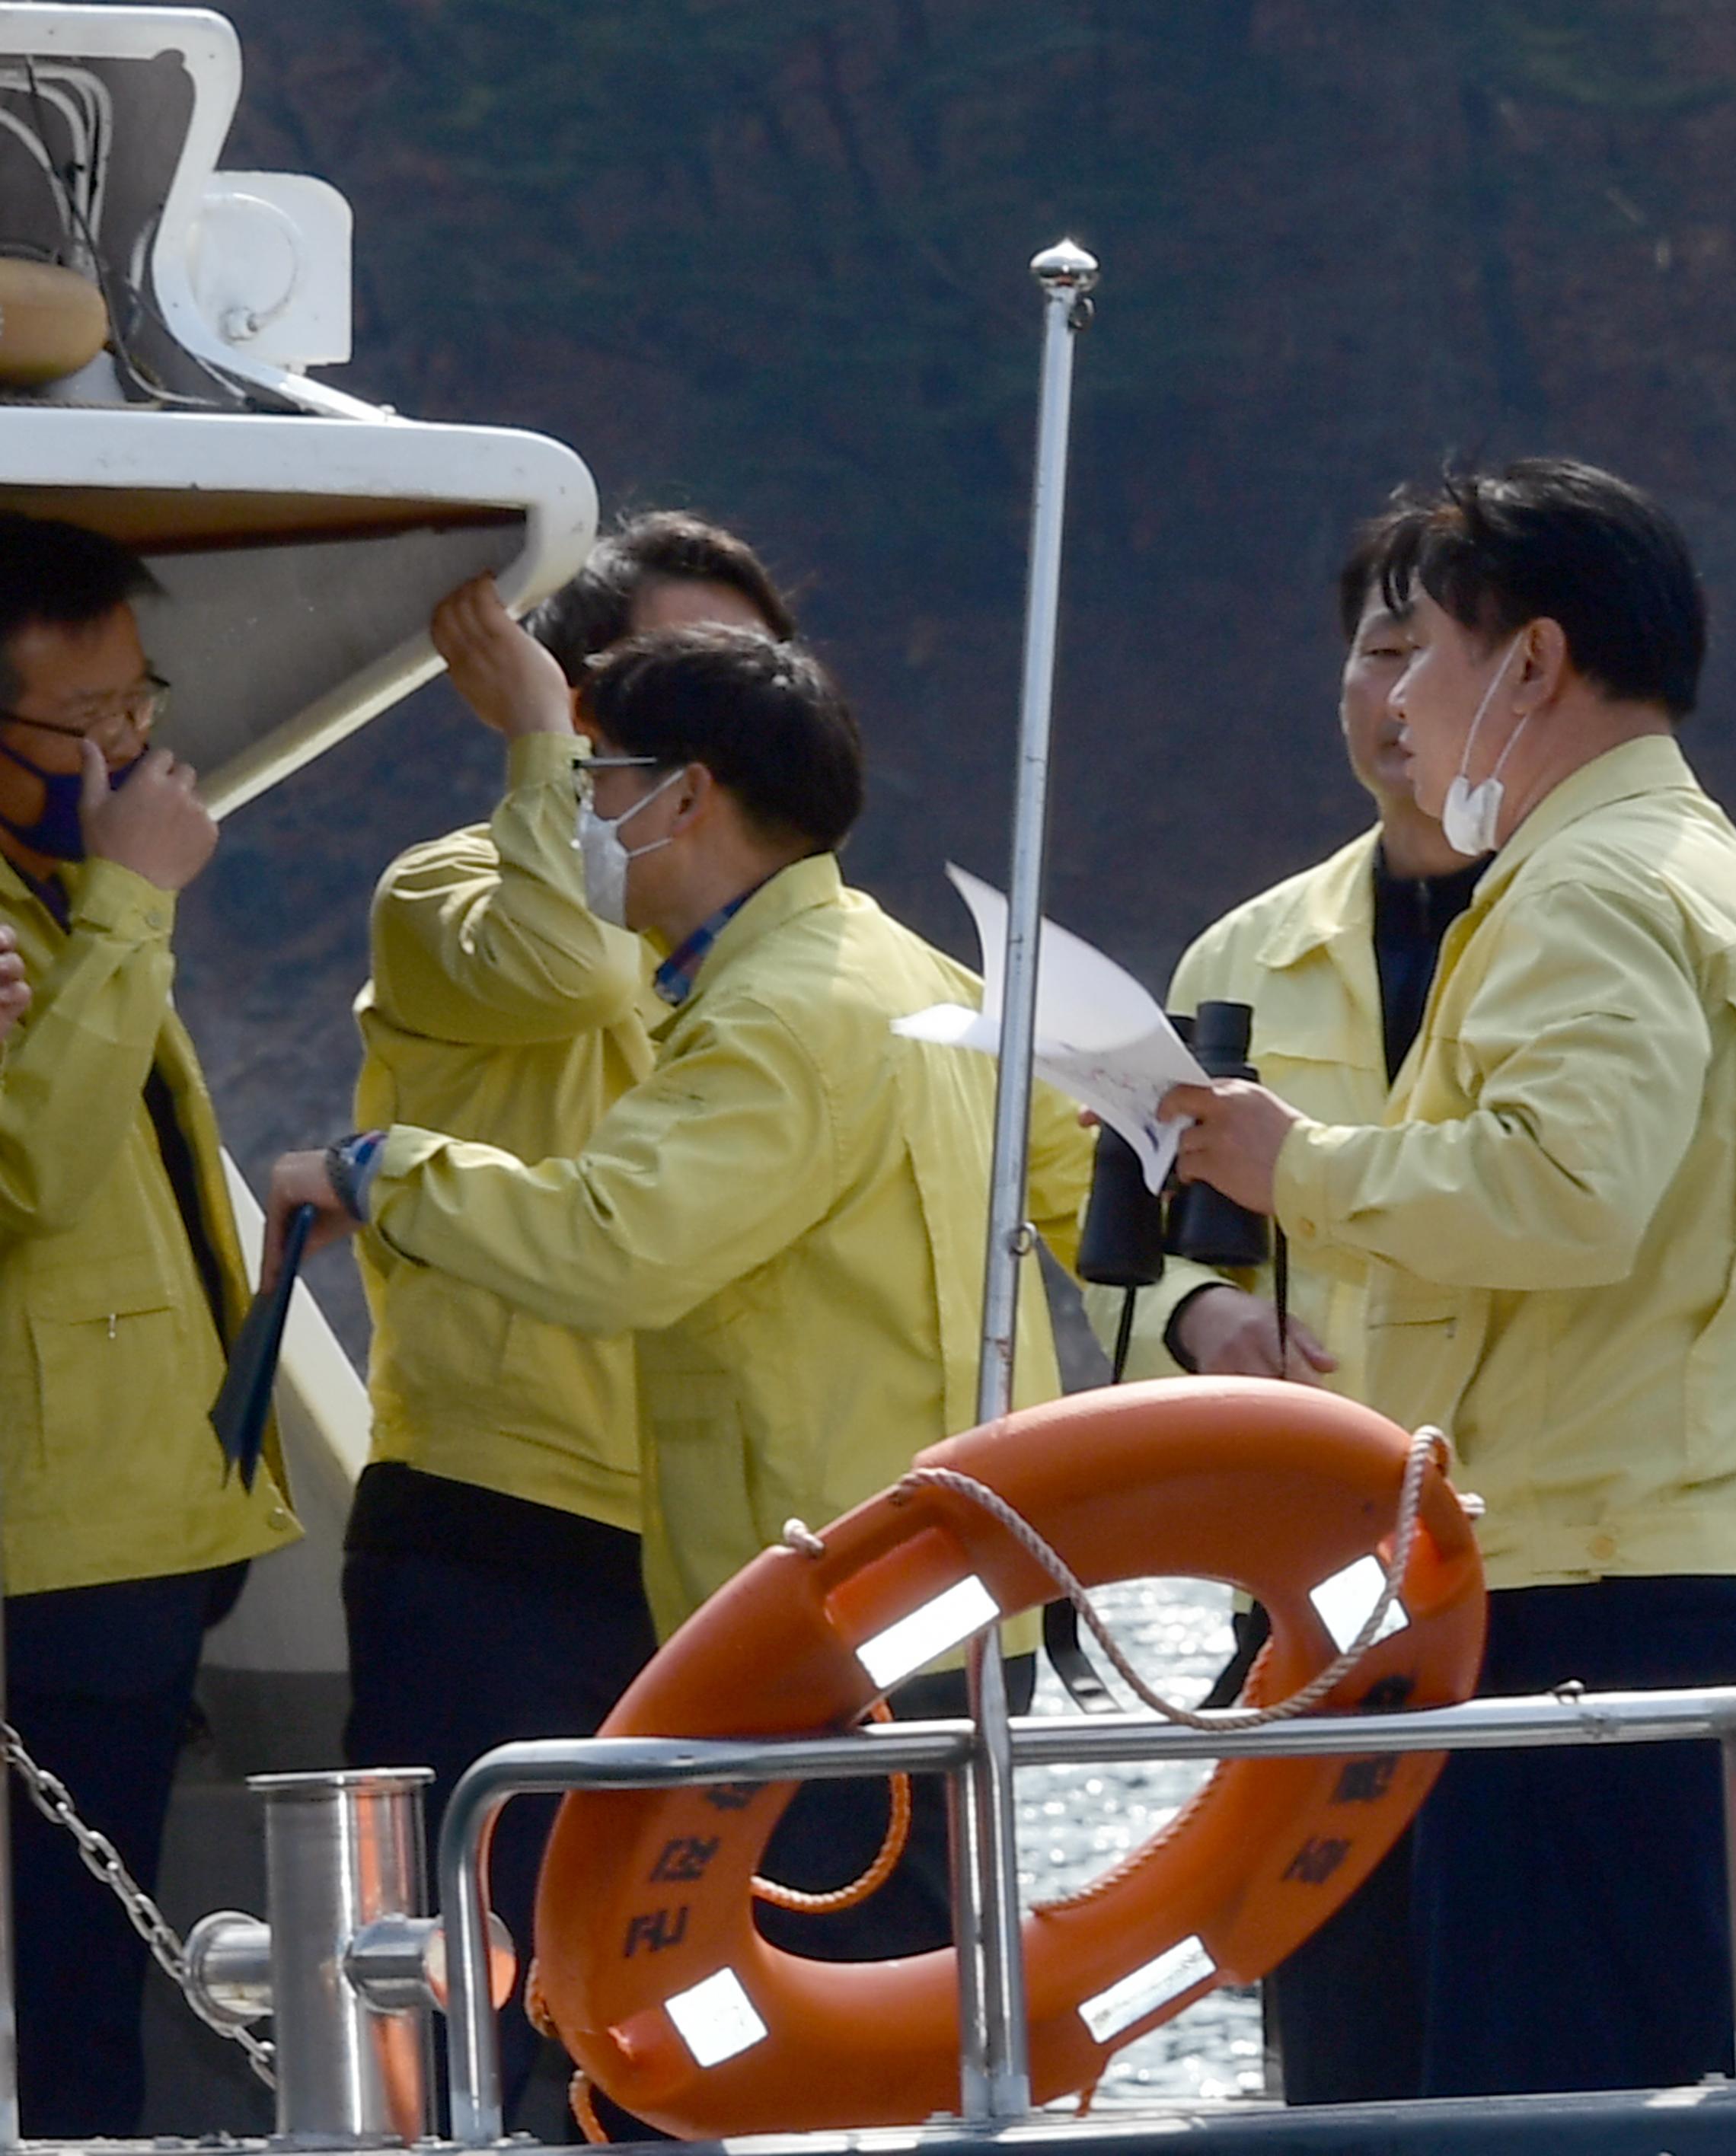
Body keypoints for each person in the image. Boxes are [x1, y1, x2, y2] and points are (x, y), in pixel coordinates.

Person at [1166, 458, 1736, 2097]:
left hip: (1589, 1617)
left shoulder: (1582, 885)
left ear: (1528, 665)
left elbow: (1565, 1186)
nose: (1397, 709)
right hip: (1718, 1592)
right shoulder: (1704, 873)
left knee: (1542, 2102)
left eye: (1420, 655)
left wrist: (1291, 1166)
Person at [268, 616, 1090, 2006]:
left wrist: (382, 1170)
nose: (585, 817)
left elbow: (616, 1244)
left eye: (597, 785)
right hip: (942, 1597)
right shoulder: (914, 975)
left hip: (822, 1621)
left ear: (685, 794)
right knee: (922, 2020)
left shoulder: (778, 1018)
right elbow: (1075, 1170)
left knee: (825, 2010)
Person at [339, 512, 796, 2123]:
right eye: (647, 692)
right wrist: (546, 751)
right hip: (497, 1529)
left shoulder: (799, 950)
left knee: (693, 2016)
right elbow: (574, 965)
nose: (698, 729)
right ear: (566, 693)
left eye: (741, 685)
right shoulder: (450, 891)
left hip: (710, 1543)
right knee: (487, 2024)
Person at [1086, 524, 1484, 2103]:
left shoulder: (1596, 917)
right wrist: (1201, 1323)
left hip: (1535, 1557)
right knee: (1340, 2037)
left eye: (1430, 651)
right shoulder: (1244, 956)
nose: (1394, 693)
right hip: (1312, 1584)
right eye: (1373, 651)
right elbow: (1136, 1244)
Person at [0, 512, 298, 2133]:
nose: (129, 747)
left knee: (93, 1956)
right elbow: (31, 1168)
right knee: (70, 1975)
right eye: (85, 721)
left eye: (139, 705)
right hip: (57, 1542)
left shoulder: (60, 896)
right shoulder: (83, 906)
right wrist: (131, 908)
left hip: (138, 1519)